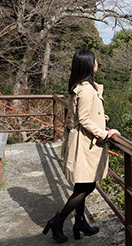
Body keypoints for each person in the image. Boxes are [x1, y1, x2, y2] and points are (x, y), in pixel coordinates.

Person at [43, 49, 120, 243]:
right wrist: (105, 133)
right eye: (95, 62)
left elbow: (82, 114)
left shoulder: (82, 86)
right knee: (88, 185)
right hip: (85, 143)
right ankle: (58, 221)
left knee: (82, 184)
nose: (97, 65)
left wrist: (100, 117)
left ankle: (80, 222)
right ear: (89, 65)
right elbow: (84, 119)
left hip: (81, 139)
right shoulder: (86, 89)